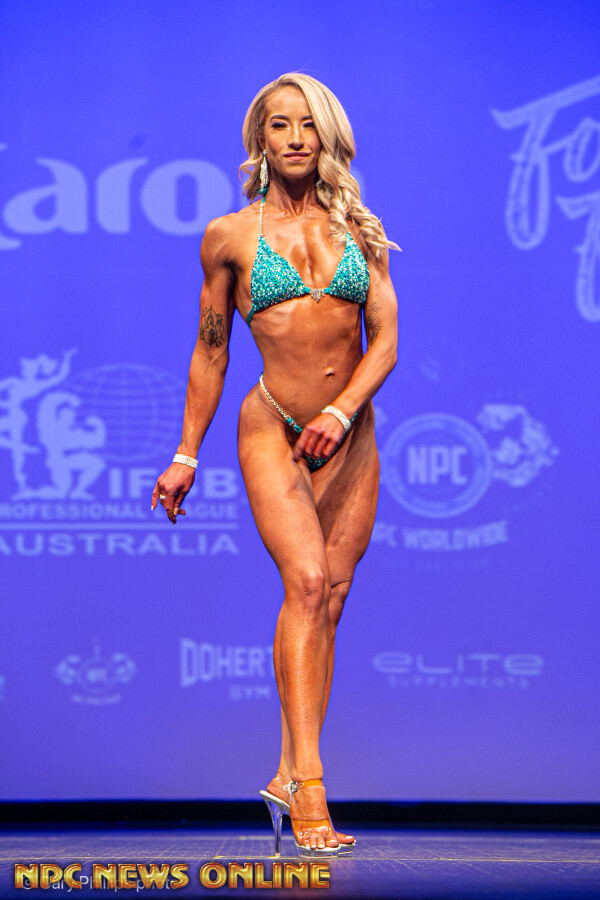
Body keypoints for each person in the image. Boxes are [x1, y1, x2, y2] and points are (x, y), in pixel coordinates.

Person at [151, 73, 399, 857]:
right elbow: (211, 350)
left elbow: (386, 343)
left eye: (308, 125)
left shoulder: (358, 228)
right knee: (307, 583)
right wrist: (186, 452)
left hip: (349, 433)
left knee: (332, 598)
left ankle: (287, 771)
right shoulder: (228, 237)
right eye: (281, 124)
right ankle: (312, 790)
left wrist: (341, 412)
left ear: (327, 137)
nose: (295, 138)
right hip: (272, 428)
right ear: (260, 136)